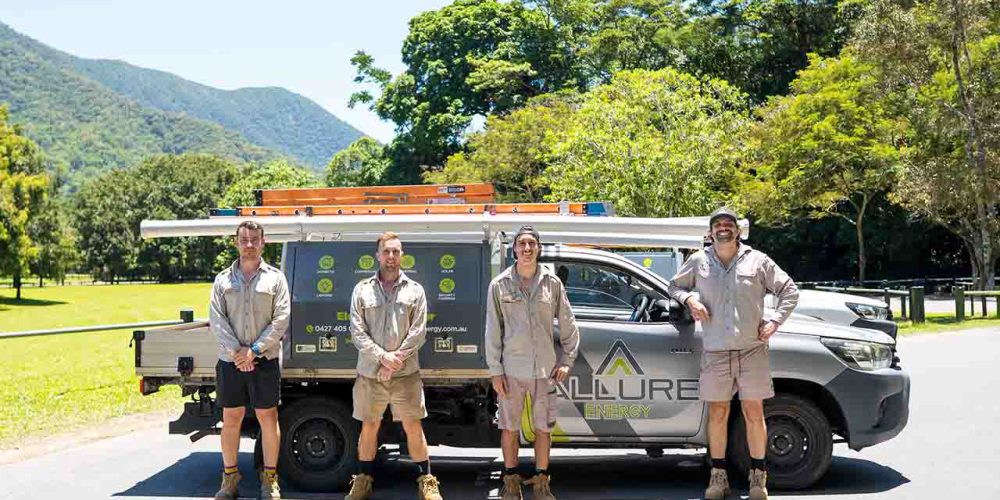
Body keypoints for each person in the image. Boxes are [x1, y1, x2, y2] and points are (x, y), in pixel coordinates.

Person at [667, 207, 799, 500]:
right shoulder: (698, 261)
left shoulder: (758, 260)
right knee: (718, 412)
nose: (723, 228)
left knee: (754, 412)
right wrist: (689, 299)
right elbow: (673, 286)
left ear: (738, 230)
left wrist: (775, 320)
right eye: (717, 225)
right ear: (710, 232)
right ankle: (718, 477)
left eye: (729, 224)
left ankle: (757, 478)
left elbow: (789, 290)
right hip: (715, 352)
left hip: (752, 350)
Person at [485, 225, 581, 500]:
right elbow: (493, 330)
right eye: (522, 244)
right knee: (509, 428)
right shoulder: (499, 284)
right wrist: (495, 371)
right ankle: (511, 483)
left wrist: (567, 360)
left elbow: (568, 323)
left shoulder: (552, 284)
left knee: (543, 429)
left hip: (544, 370)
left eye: (532, 244)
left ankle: (541, 483)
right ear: (514, 249)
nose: (527, 249)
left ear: (538, 248)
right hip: (511, 370)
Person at [345, 232, 443, 500]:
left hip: (406, 374)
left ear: (402, 255)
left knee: (413, 425)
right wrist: (382, 358)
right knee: (369, 426)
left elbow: (418, 332)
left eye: (396, 252)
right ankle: (363, 482)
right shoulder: (362, 290)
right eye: (386, 251)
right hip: (370, 373)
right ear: (378, 255)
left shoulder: (415, 290)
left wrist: (395, 359)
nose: (391, 257)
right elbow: (357, 331)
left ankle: (427, 483)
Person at [209, 220, 290, 500]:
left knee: (268, 418)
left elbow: (281, 320)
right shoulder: (222, 280)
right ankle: (229, 481)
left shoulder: (276, 279)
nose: (249, 244)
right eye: (244, 239)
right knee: (231, 418)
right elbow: (217, 320)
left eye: (255, 239)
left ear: (263, 242)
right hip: (230, 361)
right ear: (236, 242)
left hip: (263, 360)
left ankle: (270, 481)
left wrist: (253, 351)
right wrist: (237, 354)